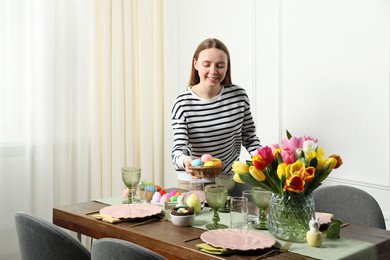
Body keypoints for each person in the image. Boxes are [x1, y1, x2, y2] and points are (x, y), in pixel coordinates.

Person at [171, 38, 261, 189]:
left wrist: (264, 160)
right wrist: (186, 161)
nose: (213, 71)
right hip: (192, 181)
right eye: (206, 64)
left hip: (227, 179)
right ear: (196, 64)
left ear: (227, 67)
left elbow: (250, 138)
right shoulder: (183, 103)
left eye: (220, 65)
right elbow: (179, 149)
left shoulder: (239, 96)